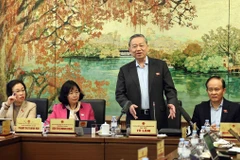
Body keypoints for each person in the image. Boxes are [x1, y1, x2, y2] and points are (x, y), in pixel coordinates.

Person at [115, 34, 178, 130]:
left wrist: (172, 102)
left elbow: (170, 89)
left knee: (158, 144)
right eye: (134, 46)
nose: (138, 49)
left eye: (141, 45)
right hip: (135, 116)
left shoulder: (160, 66)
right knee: (137, 145)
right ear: (130, 49)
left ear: (147, 47)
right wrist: (128, 105)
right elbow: (119, 94)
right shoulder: (124, 70)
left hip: (158, 116)